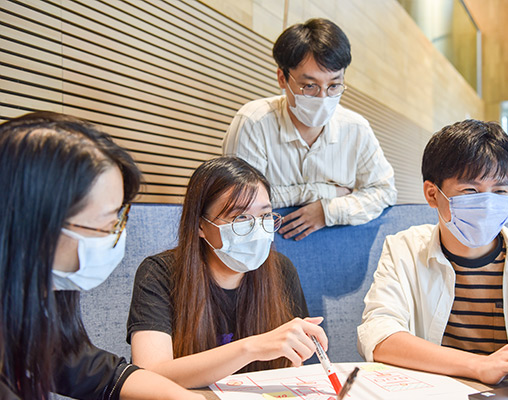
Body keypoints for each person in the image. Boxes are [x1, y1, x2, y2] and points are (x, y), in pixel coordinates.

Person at [357, 119, 508, 385]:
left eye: (499, 190)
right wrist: (481, 365)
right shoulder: (404, 250)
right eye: (470, 191)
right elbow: (378, 336)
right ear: (432, 194)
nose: (486, 204)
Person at [0, 112, 204, 399]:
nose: (115, 237)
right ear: (33, 222)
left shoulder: (33, 306)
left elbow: (81, 366)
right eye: (107, 224)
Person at [127, 156, 327, 388]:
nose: (256, 229)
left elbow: (291, 368)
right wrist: (252, 348)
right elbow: (148, 377)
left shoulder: (281, 270)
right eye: (240, 217)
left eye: (264, 216)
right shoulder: (159, 274)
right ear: (201, 226)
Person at [222, 18, 397, 240]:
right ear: (282, 79)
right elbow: (241, 202)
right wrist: (326, 192)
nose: (323, 97)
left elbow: (385, 191)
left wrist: (328, 211)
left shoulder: (356, 129)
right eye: (310, 86)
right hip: (259, 245)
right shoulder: (253, 122)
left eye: (333, 85)